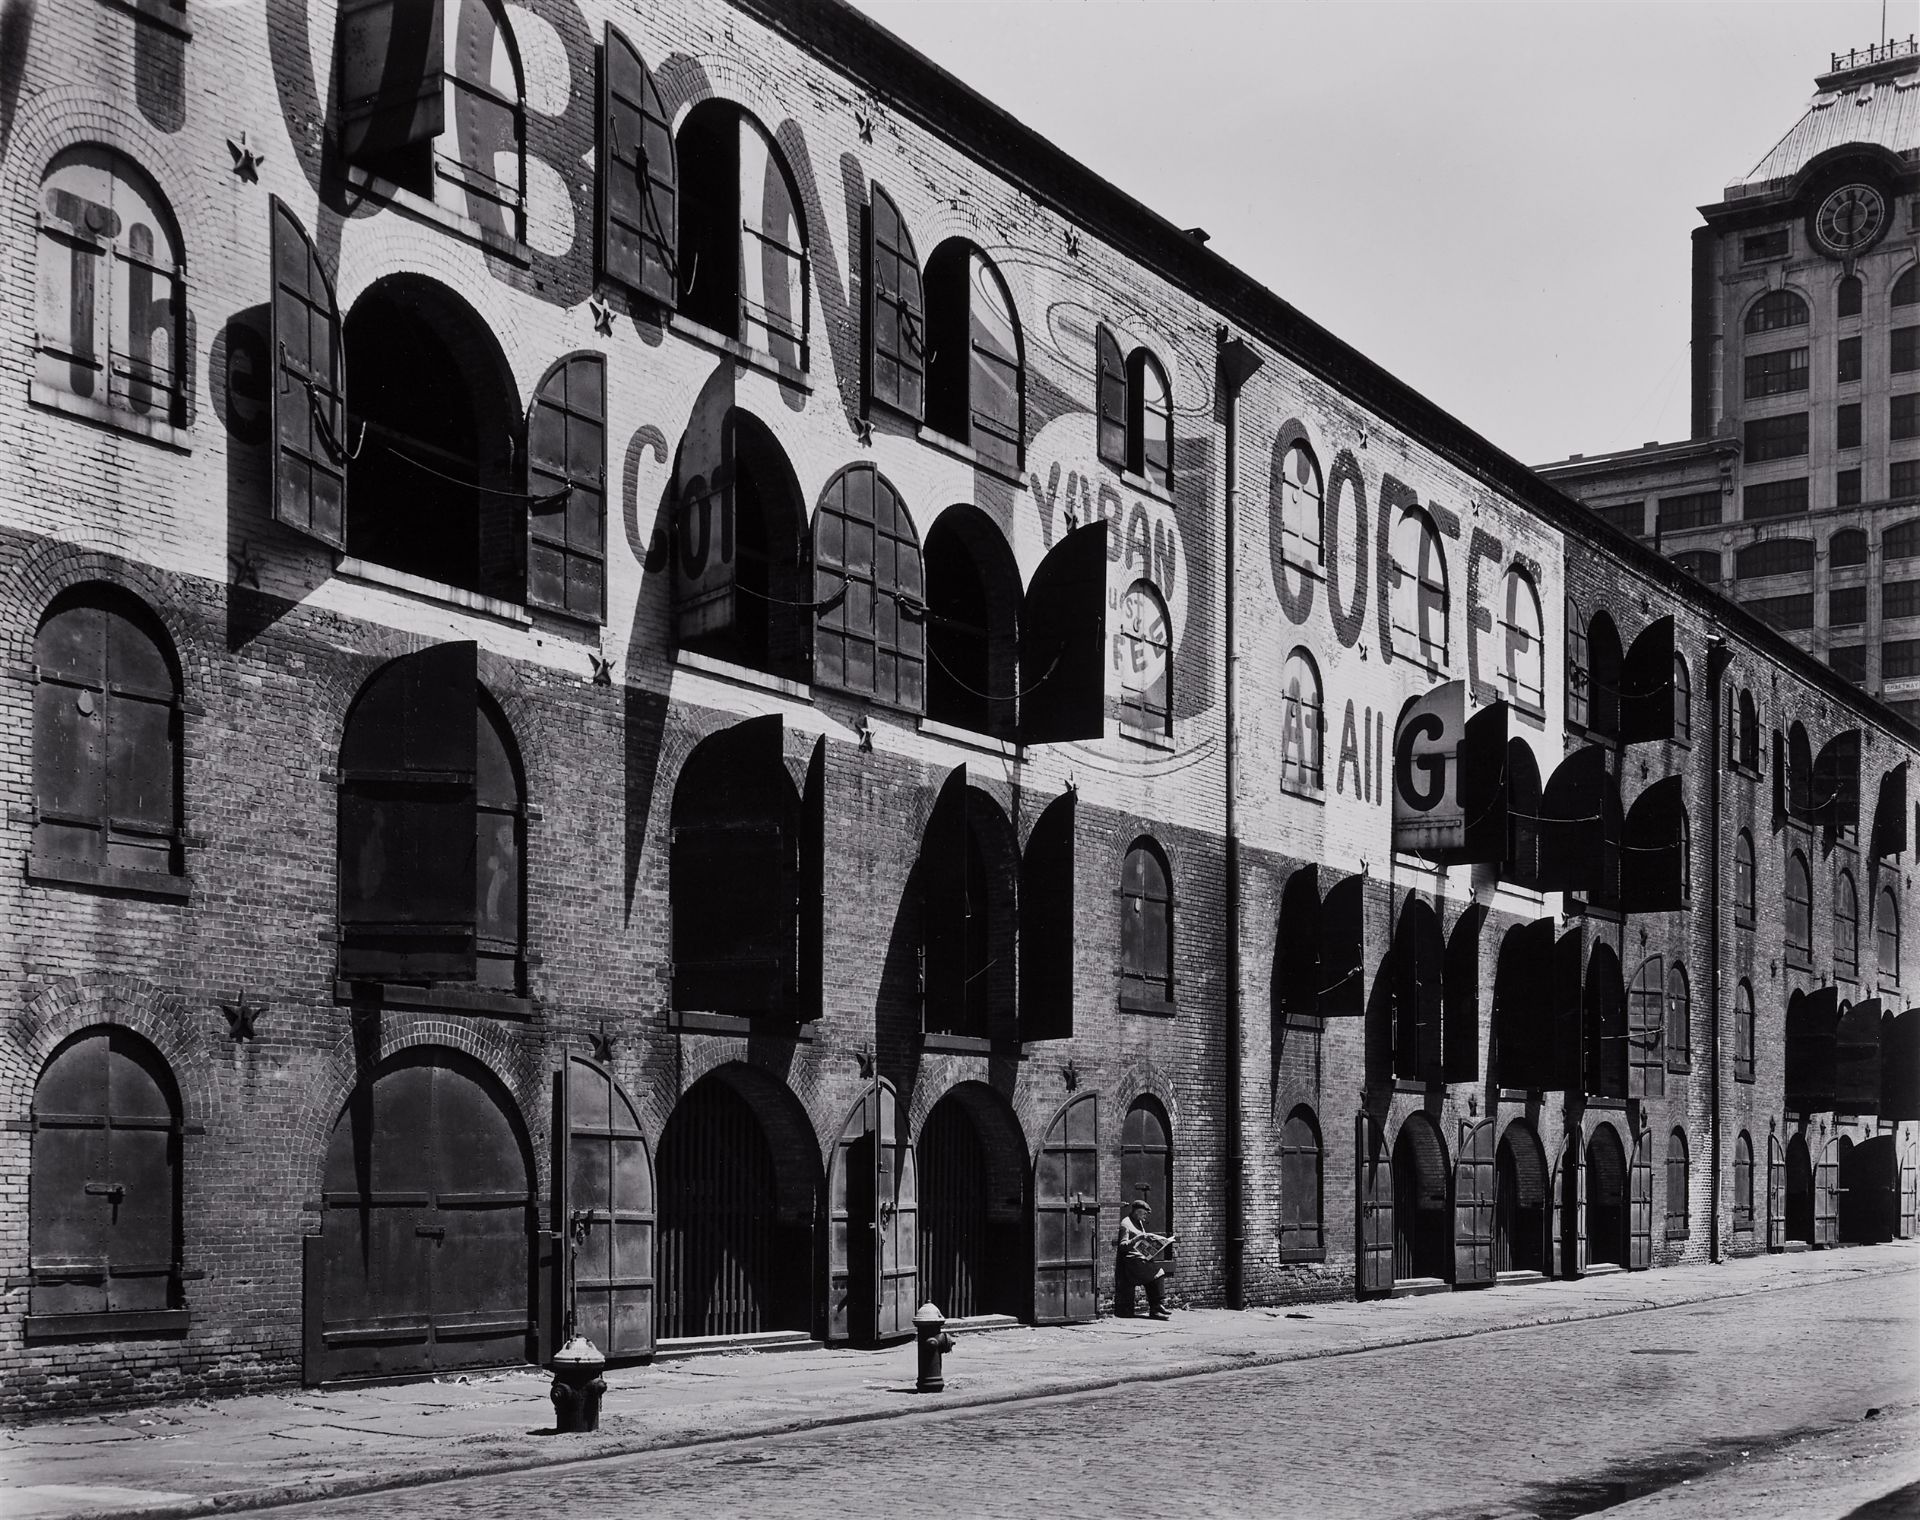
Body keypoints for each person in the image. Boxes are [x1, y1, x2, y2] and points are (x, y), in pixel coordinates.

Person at [1114, 1198, 1175, 1319]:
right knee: (1158, 1273)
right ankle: (1157, 1306)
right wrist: (1136, 1239)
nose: (1145, 1216)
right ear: (1137, 1212)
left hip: (1140, 1259)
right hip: (1132, 1263)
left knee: (1153, 1276)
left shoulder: (1139, 1222)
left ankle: (1156, 1308)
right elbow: (1122, 1246)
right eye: (1144, 1213)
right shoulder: (1125, 1224)